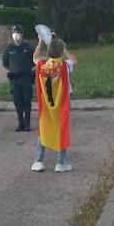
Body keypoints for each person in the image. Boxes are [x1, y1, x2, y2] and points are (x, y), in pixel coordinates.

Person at [31, 36, 77, 173]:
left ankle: (39, 161)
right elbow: (75, 60)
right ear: (61, 51)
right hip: (62, 104)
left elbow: (34, 57)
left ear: (49, 51)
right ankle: (60, 163)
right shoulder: (64, 65)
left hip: (46, 105)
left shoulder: (42, 65)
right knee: (61, 129)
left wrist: (39, 42)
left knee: (44, 129)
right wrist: (65, 50)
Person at [2, 25, 35, 132]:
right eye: (14, 32)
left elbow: (34, 60)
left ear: (22, 34)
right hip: (14, 80)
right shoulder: (8, 49)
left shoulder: (28, 47)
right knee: (17, 102)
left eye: (18, 32)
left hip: (26, 79)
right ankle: (20, 123)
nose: (16, 34)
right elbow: (5, 63)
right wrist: (14, 70)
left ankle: (27, 124)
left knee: (27, 101)